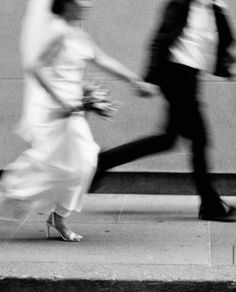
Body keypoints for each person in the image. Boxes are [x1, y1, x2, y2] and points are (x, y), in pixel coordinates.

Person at [0, 0, 156, 241]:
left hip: (73, 112)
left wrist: (135, 81)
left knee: (76, 162)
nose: (87, 5)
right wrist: (61, 99)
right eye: (80, 2)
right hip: (59, 111)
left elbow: (102, 60)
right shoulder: (57, 32)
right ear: (66, 5)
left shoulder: (76, 34)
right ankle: (17, 194)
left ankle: (36, 204)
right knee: (73, 161)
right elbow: (35, 68)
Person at [91, 0, 236, 221]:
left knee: (168, 139)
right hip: (175, 74)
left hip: (191, 76)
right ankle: (210, 204)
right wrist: (150, 79)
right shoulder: (180, 3)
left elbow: (223, 40)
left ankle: (104, 161)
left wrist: (226, 64)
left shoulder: (214, 7)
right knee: (200, 139)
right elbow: (160, 40)